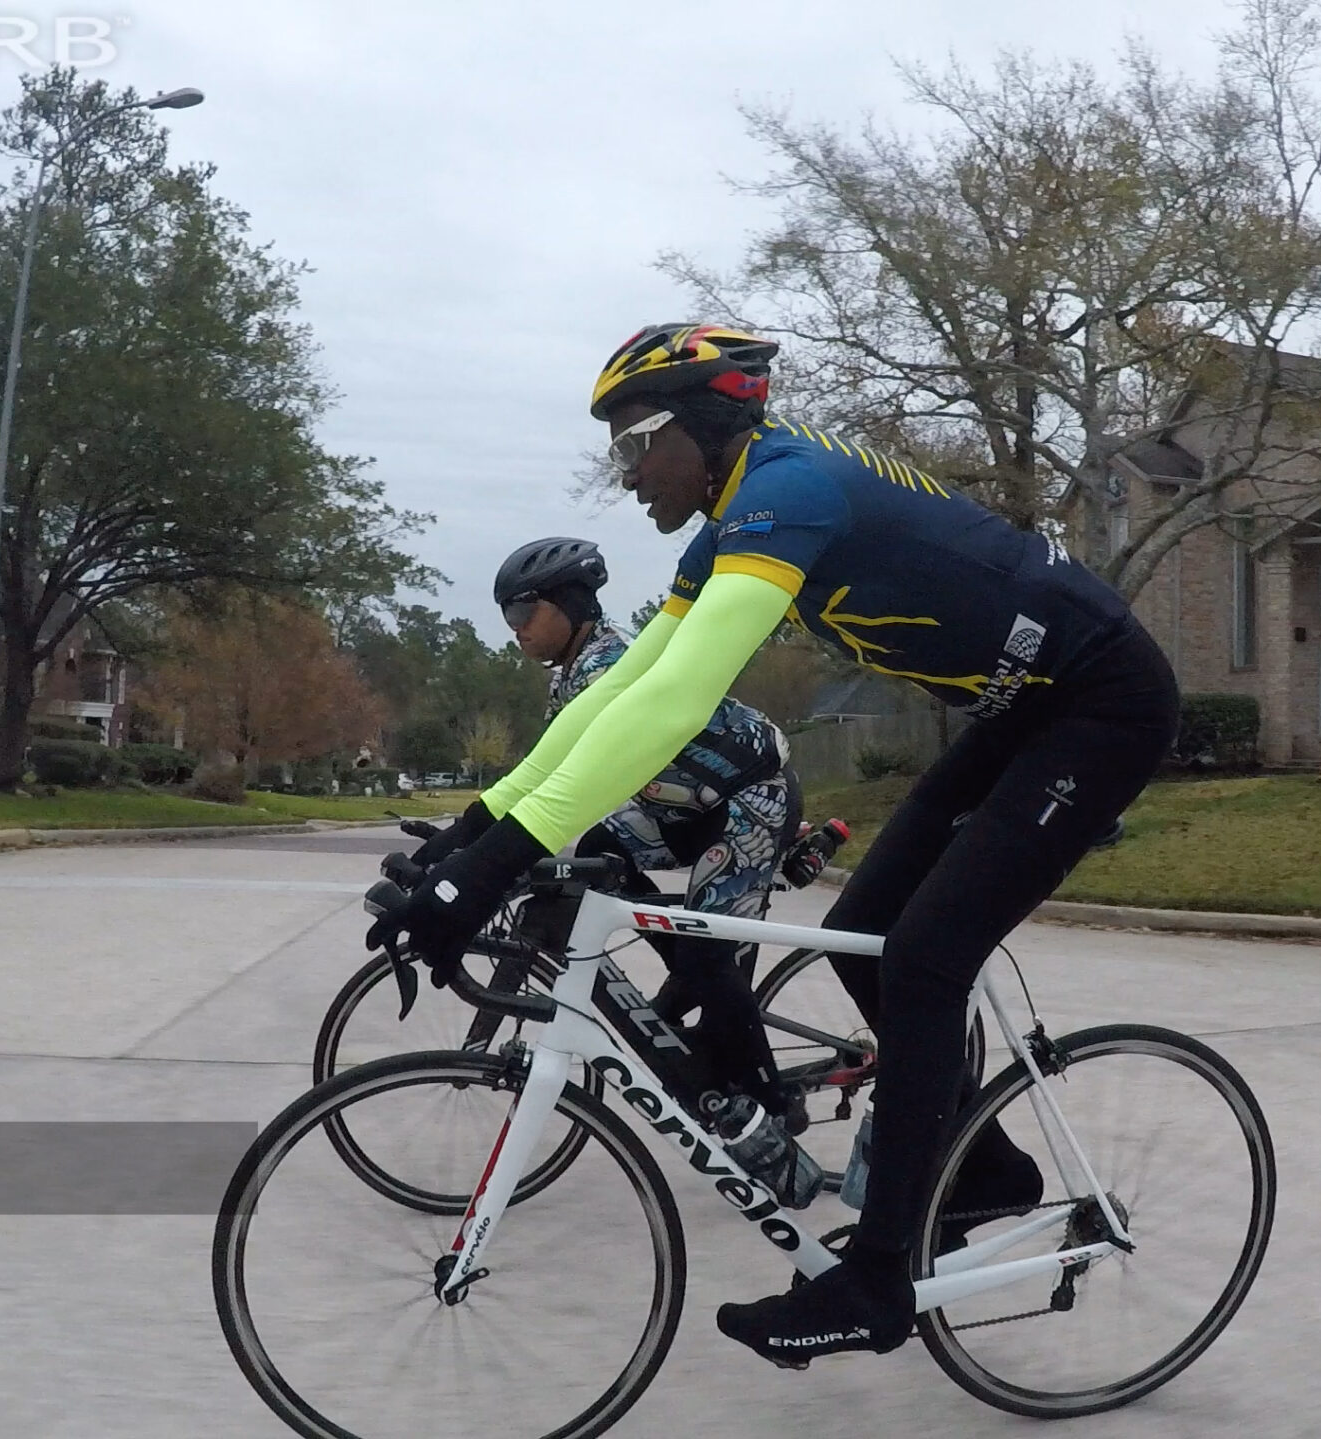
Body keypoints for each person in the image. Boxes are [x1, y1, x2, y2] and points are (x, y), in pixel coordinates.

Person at [368, 323, 1179, 1366]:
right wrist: (468, 845)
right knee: (864, 927)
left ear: (704, 424)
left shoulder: (787, 489)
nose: (626, 475)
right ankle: (986, 1167)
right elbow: (612, 697)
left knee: (925, 957)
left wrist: (480, 875)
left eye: (634, 444)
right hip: (1025, 711)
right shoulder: (727, 529)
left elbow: (675, 702)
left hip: (1103, 702)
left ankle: (879, 1280)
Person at [490, 535, 810, 1147]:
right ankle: (686, 979)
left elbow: (565, 782)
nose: (515, 629)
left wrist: (486, 854)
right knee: (598, 854)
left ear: (570, 604)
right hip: (685, 807)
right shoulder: (569, 676)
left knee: (711, 959)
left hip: (750, 800)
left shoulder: (607, 664)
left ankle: (774, 1104)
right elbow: (543, 774)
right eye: (507, 615)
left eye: (522, 610)